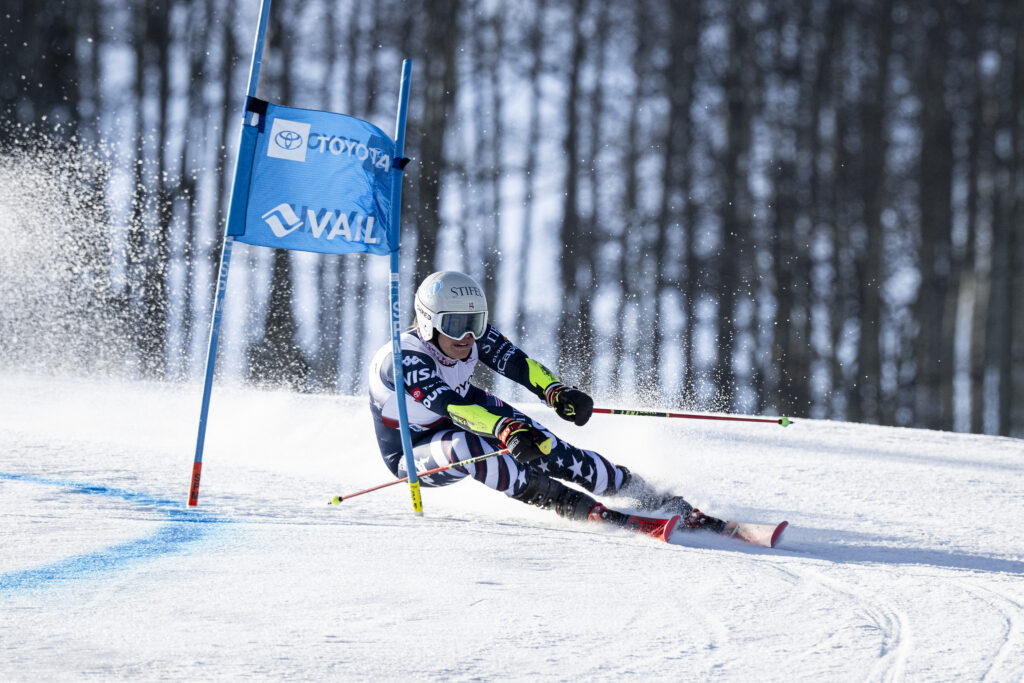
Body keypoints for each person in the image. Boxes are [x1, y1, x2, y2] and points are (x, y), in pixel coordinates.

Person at [368, 270, 724, 533]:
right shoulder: (404, 360)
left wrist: (557, 392)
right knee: (467, 447)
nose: (468, 336)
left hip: (468, 409)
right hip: (413, 451)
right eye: (456, 324)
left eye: (475, 323)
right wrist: (503, 428)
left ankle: (643, 493)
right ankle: (574, 505)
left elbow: (519, 365)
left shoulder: (473, 337)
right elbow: (450, 406)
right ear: (429, 322)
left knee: (547, 445)